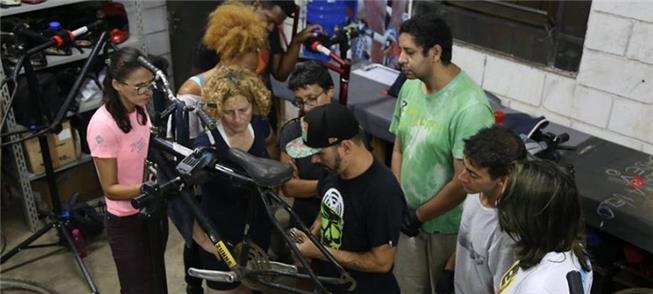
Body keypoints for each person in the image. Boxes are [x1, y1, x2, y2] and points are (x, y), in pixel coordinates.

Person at [389, 15, 494, 293]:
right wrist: (400, 200)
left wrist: (420, 214)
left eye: (409, 52)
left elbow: (465, 180)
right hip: (409, 220)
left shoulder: (470, 107)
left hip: (446, 229)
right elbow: (399, 147)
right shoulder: (410, 85)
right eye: (401, 50)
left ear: (435, 52)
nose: (401, 59)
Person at [287, 103, 406, 293]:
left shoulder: (383, 193)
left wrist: (319, 252)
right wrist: (312, 234)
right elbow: (329, 203)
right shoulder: (334, 169)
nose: (314, 160)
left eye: (319, 153)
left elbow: (381, 262)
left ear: (346, 147)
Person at [86, 47, 167, 294]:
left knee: (156, 278)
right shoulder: (103, 126)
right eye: (138, 86)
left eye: (150, 84)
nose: (146, 92)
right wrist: (152, 188)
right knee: (136, 287)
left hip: (150, 209)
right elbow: (110, 189)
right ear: (117, 85)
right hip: (126, 220)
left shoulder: (139, 109)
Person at [192, 66, 275, 294]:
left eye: (243, 109)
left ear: (253, 104)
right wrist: (203, 240)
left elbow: (270, 145)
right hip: (221, 233)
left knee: (255, 287)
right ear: (217, 108)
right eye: (228, 112)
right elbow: (180, 198)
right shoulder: (206, 144)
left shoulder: (258, 125)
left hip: (257, 228)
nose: (237, 118)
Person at [442, 125, 526, 294]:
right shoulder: (475, 192)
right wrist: (450, 269)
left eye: (473, 174)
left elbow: (502, 288)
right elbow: (467, 239)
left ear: (502, 180)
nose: (462, 178)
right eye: (465, 167)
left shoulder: (507, 232)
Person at [496, 159, 593, 294]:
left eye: (507, 200)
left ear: (529, 216)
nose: (498, 203)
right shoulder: (574, 250)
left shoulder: (537, 288)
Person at [278, 60, 334, 228]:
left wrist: (308, 187)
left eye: (312, 99)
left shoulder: (348, 129)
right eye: (300, 102)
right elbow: (288, 188)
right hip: (304, 215)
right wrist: (330, 186)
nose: (307, 108)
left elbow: (356, 185)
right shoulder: (291, 132)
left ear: (330, 91)